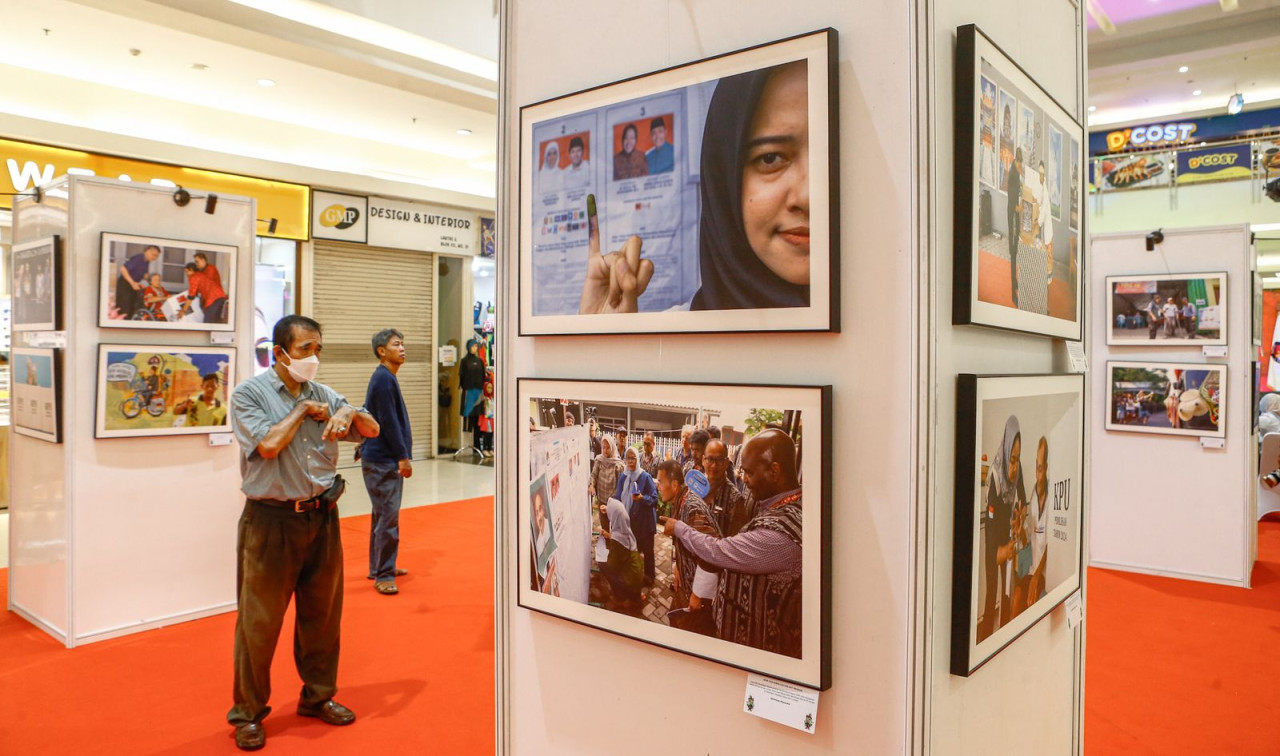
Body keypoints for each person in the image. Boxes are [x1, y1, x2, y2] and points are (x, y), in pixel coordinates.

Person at [227, 315, 380, 751]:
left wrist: (349, 410)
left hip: (322, 518)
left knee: (322, 617)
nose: (313, 358)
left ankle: (318, 696)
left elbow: (372, 430)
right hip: (270, 522)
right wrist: (299, 412)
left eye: (318, 349)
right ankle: (248, 714)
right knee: (259, 624)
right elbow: (269, 446)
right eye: (305, 350)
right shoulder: (249, 395)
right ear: (279, 353)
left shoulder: (324, 393)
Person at [661, 429, 804, 656]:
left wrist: (679, 529)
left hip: (757, 648)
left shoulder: (779, 534)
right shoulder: (767, 503)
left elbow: (721, 551)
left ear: (774, 471)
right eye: (708, 459)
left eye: (749, 473)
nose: (744, 480)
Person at [691, 60, 811, 311]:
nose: (807, 196)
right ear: (724, 185)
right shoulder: (671, 340)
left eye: (831, 155)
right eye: (771, 158)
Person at [360, 329, 414, 596]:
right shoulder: (383, 380)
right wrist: (403, 456)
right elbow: (389, 423)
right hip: (383, 461)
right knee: (388, 519)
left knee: (382, 517)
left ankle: (379, 566)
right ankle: (383, 575)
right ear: (382, 351)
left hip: (380, 459)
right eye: (396, 344)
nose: (402, 348)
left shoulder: (386, 378)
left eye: (403, 344)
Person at [655, 459, 719, 636]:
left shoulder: (692, 507)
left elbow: (713, 552)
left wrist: (698, 594)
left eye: (660, 482)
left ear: (675, 485)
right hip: (685, 581)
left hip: (699, 593)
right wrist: (678, 566)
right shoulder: (680, 501)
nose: (657, 486)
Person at [980, 417, 1025, 640]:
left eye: (1018, 460)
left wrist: (1019, 521)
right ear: (1006, 452)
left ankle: (1005, 641)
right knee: (992, 595)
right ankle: (985, 642)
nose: (1015, 467)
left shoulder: (1018, 469)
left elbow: (1024, 502)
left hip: (1007, 538)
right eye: (1012, 460)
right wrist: (1000, 552)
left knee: (1007, 594)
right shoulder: (996, 478)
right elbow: (990, 528)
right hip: (993, 543)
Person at [616, 446, 658, 588]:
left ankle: (650, 576)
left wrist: (641, 498)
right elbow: (618, 496)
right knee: (633, 549)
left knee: (647, 551)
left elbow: (654, 498)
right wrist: (609, 506)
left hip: (645, 522)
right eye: (628, 458)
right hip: (630, 521)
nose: (630, 461)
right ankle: (636, 573)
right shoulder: (623, 476)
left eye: (633, 457)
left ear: (637, 459)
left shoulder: (645, 477)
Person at [599, 498, 645, 613]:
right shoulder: (625, 528)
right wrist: (609, 536)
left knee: (603, 565)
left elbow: (611, 566)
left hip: (630, 580)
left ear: (614, 517)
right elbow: (621, 541)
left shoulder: (617, 541)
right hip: (637, 575)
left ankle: (621, 598)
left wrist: (603, 554)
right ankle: (636, 597)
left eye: (610, 513)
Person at [704, 439, 751, 537]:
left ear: (726, 463)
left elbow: (736, 542)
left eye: (719, 460)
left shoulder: (735, 500)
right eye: (710, 459)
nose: (714, 465)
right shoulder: (695, 487)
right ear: (703, 460)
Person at [115, 244, 160, 318]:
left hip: (133, 285)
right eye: (154, 255)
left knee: (132, 308)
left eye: (157, 256)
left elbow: (144, 275)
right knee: (125, 309)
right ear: (148, 251)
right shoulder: (139, 258)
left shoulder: (146, 262)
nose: (155, 258)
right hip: (125, 284)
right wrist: (132, 283)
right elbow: (123, 269)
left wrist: (152, 281)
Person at [459, 339, 486, 451]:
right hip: (469, 393)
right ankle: (468, 445)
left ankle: (477, 445)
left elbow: (483, 376)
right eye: (473, 346)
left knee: (478, 419)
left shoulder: (480, 361)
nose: (475, 348)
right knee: (468, 418)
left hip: (478, 393)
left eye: (476, 346)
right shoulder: (464, 361)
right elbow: (461, 376)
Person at [1006, 148, 1025, 308]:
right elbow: (1010, 197)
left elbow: (1016, 193)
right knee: (1013, 253)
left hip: (1016, 214)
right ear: (1016, 161)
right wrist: (1016, 209)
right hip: (1012, 215)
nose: (1021, 167)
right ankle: (1013, 294)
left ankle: (1016, 282)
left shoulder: (1017, 172)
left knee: (1016, 250)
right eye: (1020, 164)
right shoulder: (1012, 174)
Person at [591, 436, 622, 532]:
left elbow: (620, 486)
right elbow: (593, 475)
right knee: (604, 528)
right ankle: (606, 545)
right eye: (603, 447)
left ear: (612, 447)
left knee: (614, 528)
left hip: (613, 502)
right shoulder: (599, 460)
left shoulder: (618, 465)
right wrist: (591, 485)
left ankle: (613, 546)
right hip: (601, 500)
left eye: (608, 447)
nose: (605, 450)